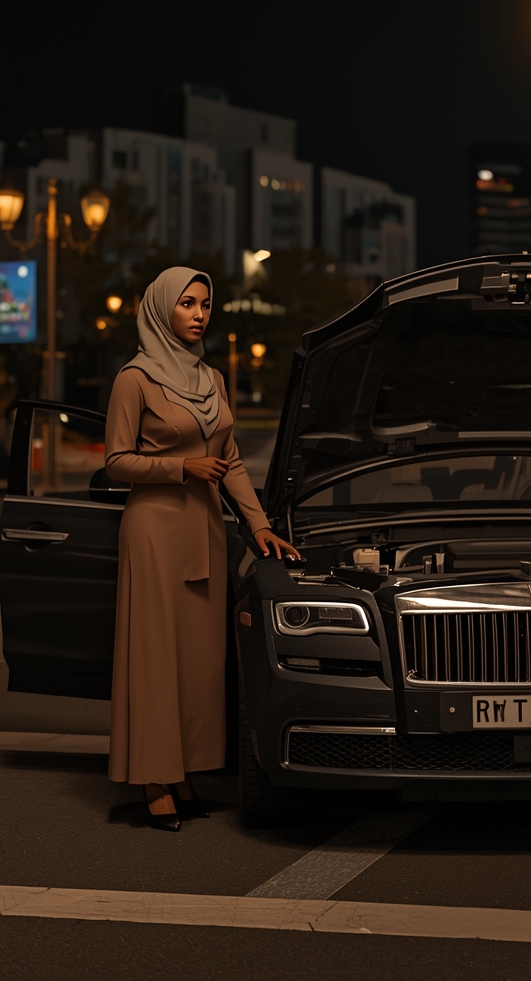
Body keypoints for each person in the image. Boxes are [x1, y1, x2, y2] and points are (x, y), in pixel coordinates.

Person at [105, 266, 299, 831]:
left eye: (206, 305)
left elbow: (231, 459)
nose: (198, 314)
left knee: (196, 663)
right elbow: (116, 462)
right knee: (155, 660)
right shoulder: (134, 379)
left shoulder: (212, 379)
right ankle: (152, 781)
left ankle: (184, 773)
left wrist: (258, 524)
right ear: (162, 309)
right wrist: (180, 467)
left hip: (205, 531)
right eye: (187, 304)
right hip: (155, 531)